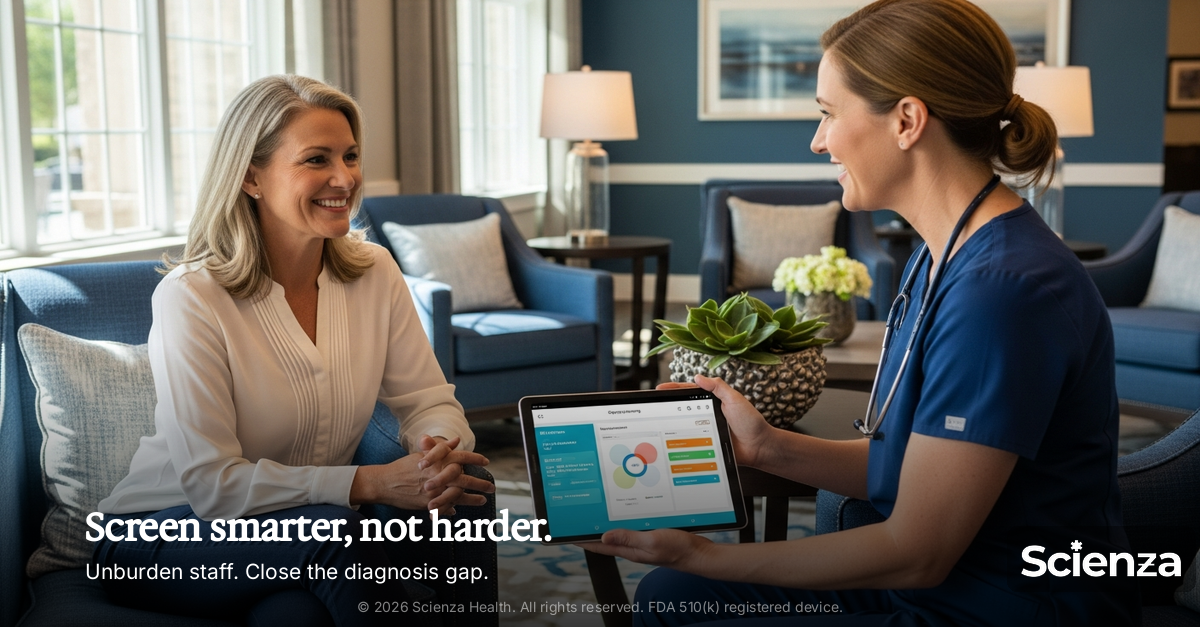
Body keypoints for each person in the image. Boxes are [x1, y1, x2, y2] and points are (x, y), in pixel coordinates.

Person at [584, 1, 1140, 625]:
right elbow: (911, 464)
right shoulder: (940, 254)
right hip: (948, 580)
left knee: (682, 595)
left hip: (1004, 604)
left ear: (906, 120)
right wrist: (768, 448)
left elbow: (917, 553)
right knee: (670, 597)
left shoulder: (1003, 293)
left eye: (827, 113)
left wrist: (705, 556)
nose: (818, 140)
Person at [92, 75, 493, 626]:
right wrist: (367, 483)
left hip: (294, 534)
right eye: (316, 159)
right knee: (340, 537)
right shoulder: (192, 297)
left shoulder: (374, 272)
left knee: (302, 610)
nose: (344, 177)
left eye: (350, 156)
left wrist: (437, 454)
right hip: (159, 536)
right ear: (251, 176)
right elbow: (212, 486)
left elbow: (426, 397)